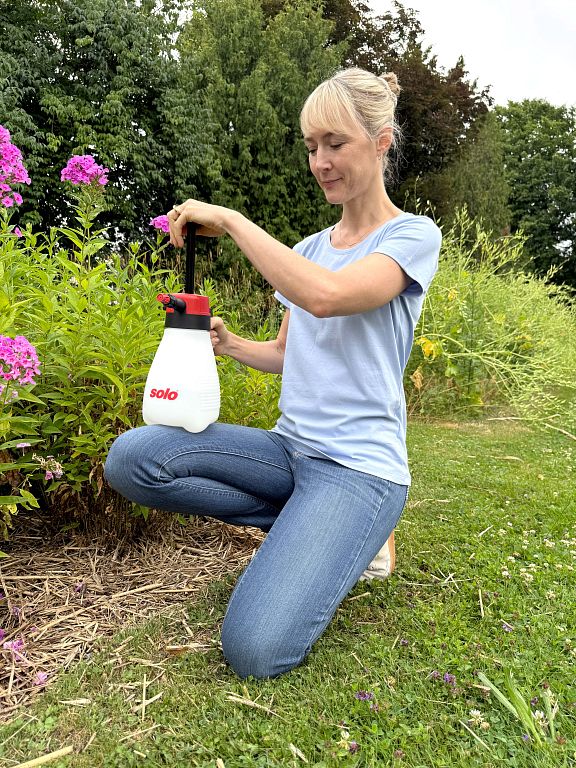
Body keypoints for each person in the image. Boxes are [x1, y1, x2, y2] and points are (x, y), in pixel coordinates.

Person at [104, 67, 442, 679]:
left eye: (334, 143)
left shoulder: (411, 236)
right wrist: (230, 344)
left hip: (359, 468)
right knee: (135, 458)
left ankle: (353, 527)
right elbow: (288, 353)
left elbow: (329, 297)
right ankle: (318, 530)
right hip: (288, 451)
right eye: (311, 147)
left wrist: (232, 220)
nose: (320, 162)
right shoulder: (310, 248)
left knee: (255, 650)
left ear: (381, 141)